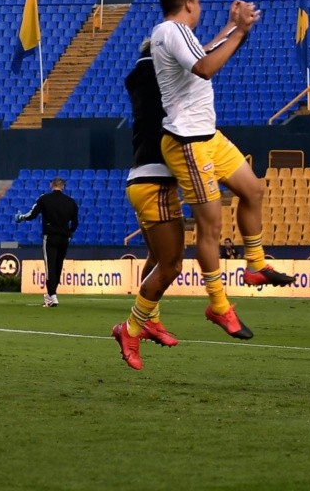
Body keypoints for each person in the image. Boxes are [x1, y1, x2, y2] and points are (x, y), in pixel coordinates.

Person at [150, 0, 295, 341]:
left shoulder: (176, 34)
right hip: (188, 142)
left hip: (208, 136)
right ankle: (218, 306)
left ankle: (255, 265)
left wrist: (233, 26)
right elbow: (206, 67)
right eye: (198, 2)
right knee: (211, 225)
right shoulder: (171, 30)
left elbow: (203, 55)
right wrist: (240, 32)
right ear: (189, 3)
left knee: (253, 190)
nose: (200, 9)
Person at [112, 39, 183, 371]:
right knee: (171, 265)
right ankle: (131, 327)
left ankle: (151, 319)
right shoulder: (153, 74)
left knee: (156, 258)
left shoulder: (139, 79)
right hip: (155, 180)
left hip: (140, 176)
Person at [15, 177, 78, 307]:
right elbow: (75, 222)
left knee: (50, 267)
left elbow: (32, 214)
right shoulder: (71, 202)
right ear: (63, 187)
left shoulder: (44, 199)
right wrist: (69, 233)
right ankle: (52, 294)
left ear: (51, 185)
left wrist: (21, 217)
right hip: (64, 238)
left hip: (50, 237)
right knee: (58, 266)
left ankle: (52, 296)